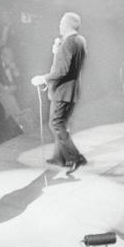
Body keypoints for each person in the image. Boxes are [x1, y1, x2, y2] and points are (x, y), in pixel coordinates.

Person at [31, 12, 87, 175]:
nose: (59, 25)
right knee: (60, 124)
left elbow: (62, 70)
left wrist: (43, 78)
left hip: (63, 91)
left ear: (68, 24)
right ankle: (60, 158)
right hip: (72, 89)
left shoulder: (67, 43)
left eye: (62, 22)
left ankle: (76, 157)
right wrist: (57, 52)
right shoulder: (80, 41)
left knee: (56, 124)